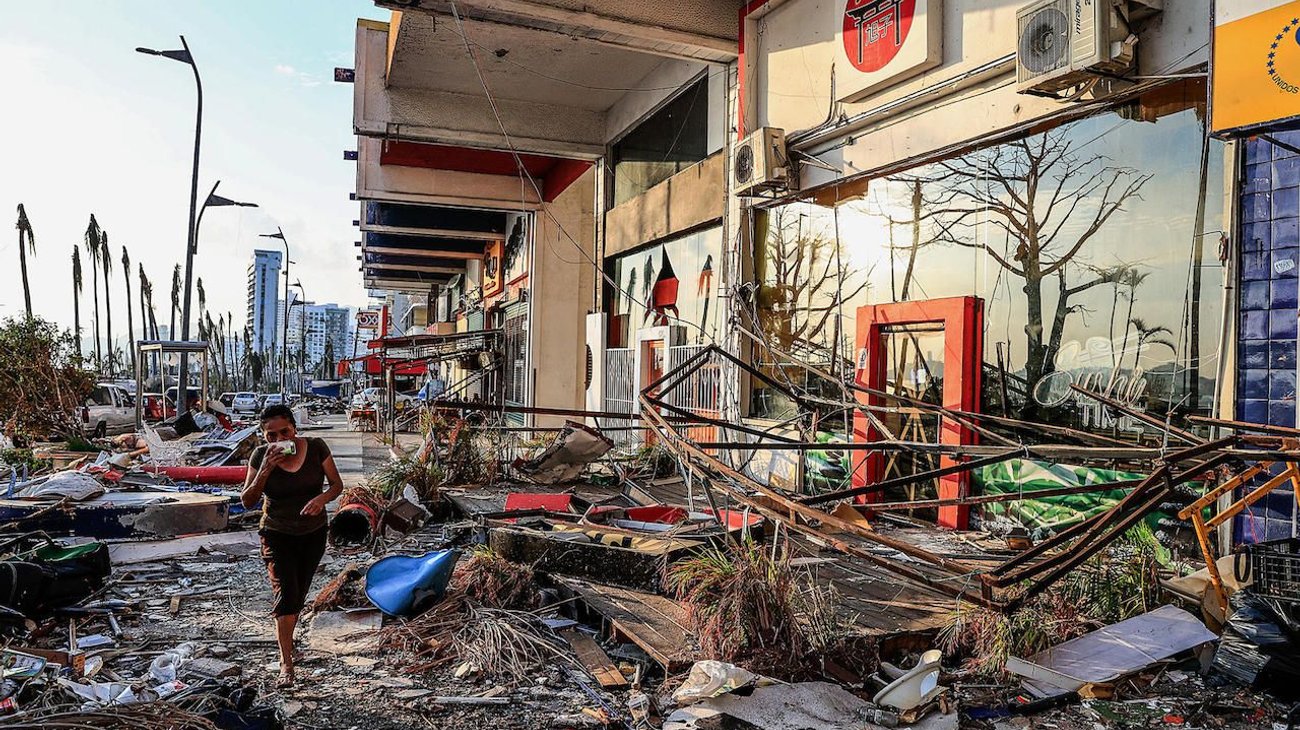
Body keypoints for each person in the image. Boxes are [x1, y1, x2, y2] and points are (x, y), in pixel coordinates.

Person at [240, 404, 343, 688]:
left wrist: (321, 500)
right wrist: (265, 469)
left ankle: (289, 642)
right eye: (271, 435)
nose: (279, 439)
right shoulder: (260, 456)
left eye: (284, 432)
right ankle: (286, 663)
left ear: (294, 429)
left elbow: (336, 485)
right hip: (276, 533)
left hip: (313, 533)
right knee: (285, 594)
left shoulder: (316, 447)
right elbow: (247, 500)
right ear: (264, 437)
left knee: (298, 594)